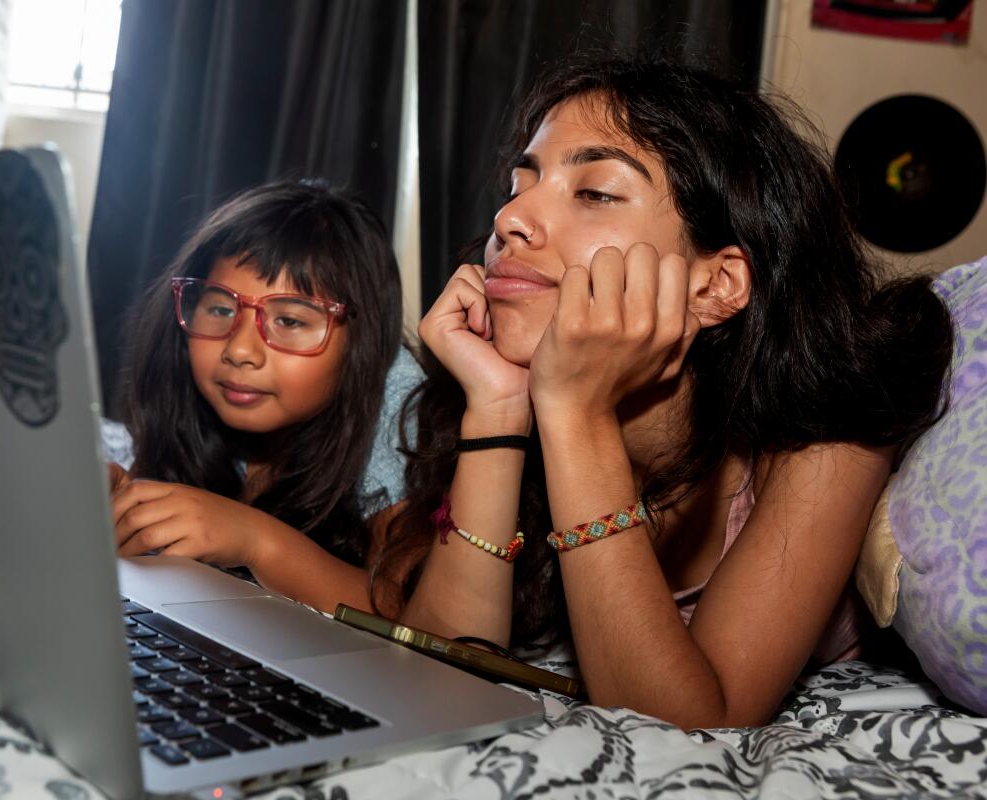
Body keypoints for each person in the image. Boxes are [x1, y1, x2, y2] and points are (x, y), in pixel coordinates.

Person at [371, 56, 953, 729]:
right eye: (517, 184)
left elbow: (690, 726)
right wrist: (499, 406)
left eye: (594, 193)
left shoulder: (826, 435)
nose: (511, 219)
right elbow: (439, 673)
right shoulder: (512, 405)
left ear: (717, 285)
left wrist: (575, 413)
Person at [110, 180, 419, 613]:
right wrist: (127, 505)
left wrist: (256, 542)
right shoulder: (185, 376)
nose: (238, 350)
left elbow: (408, 611)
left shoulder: (397, 404)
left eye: (290, 321)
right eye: (220, 309)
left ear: (362, 343)